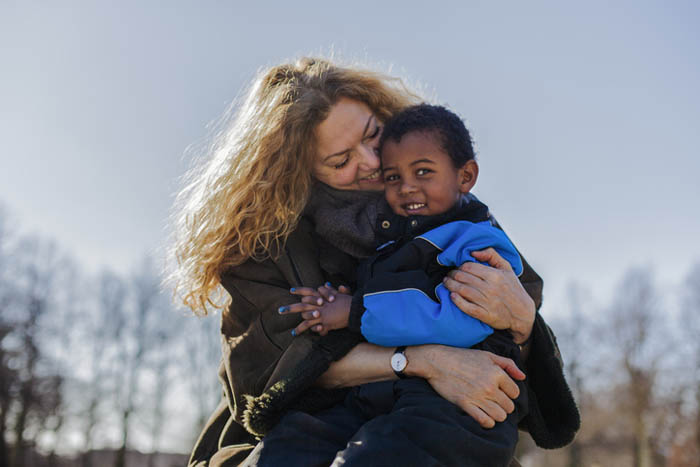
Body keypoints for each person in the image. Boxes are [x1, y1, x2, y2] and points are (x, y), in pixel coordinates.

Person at [170, 57, 579, 467]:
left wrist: (523, 322)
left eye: (373, 136)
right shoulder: (264, 243)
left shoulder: (446, 204)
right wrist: (424, 361)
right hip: (305, 424)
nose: (369, 162)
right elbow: (274, 373)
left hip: (434, 421)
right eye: (340, 161)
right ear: (297, 173)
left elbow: (511, 321)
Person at [279, 103, 531, 465]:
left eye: (423, 172)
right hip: (387, 390)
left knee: (378, 456)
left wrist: (355, 311)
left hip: (461, 401)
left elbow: (456, 321)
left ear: (465, 177)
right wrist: (340, 297)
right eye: (394, 176)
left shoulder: (475, 238)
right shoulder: (397, 236)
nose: (406, 187)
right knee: (293, 442)